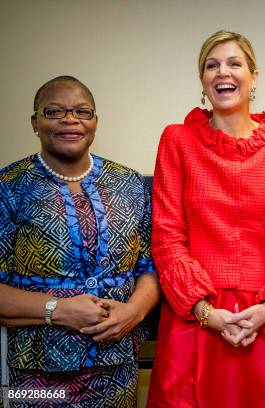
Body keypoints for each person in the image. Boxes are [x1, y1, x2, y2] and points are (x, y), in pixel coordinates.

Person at [146, 31, 265, 407]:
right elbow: (167, 237)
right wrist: (208, 314)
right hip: (195, 317)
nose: (223, 72)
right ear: (203, 82)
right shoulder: (177, 140)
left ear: (254, 77)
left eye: (234, 63)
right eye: (212, 65)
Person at [0, 75, 160, 407]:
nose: (70, 119)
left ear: (95, 122)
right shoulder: (9, 186)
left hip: (117, 368)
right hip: (36, 375)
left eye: (82, 111)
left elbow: (150, 266)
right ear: (35, 122)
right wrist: (59, 311)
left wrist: (134, 311)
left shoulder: (128, 182)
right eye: (54, 111)